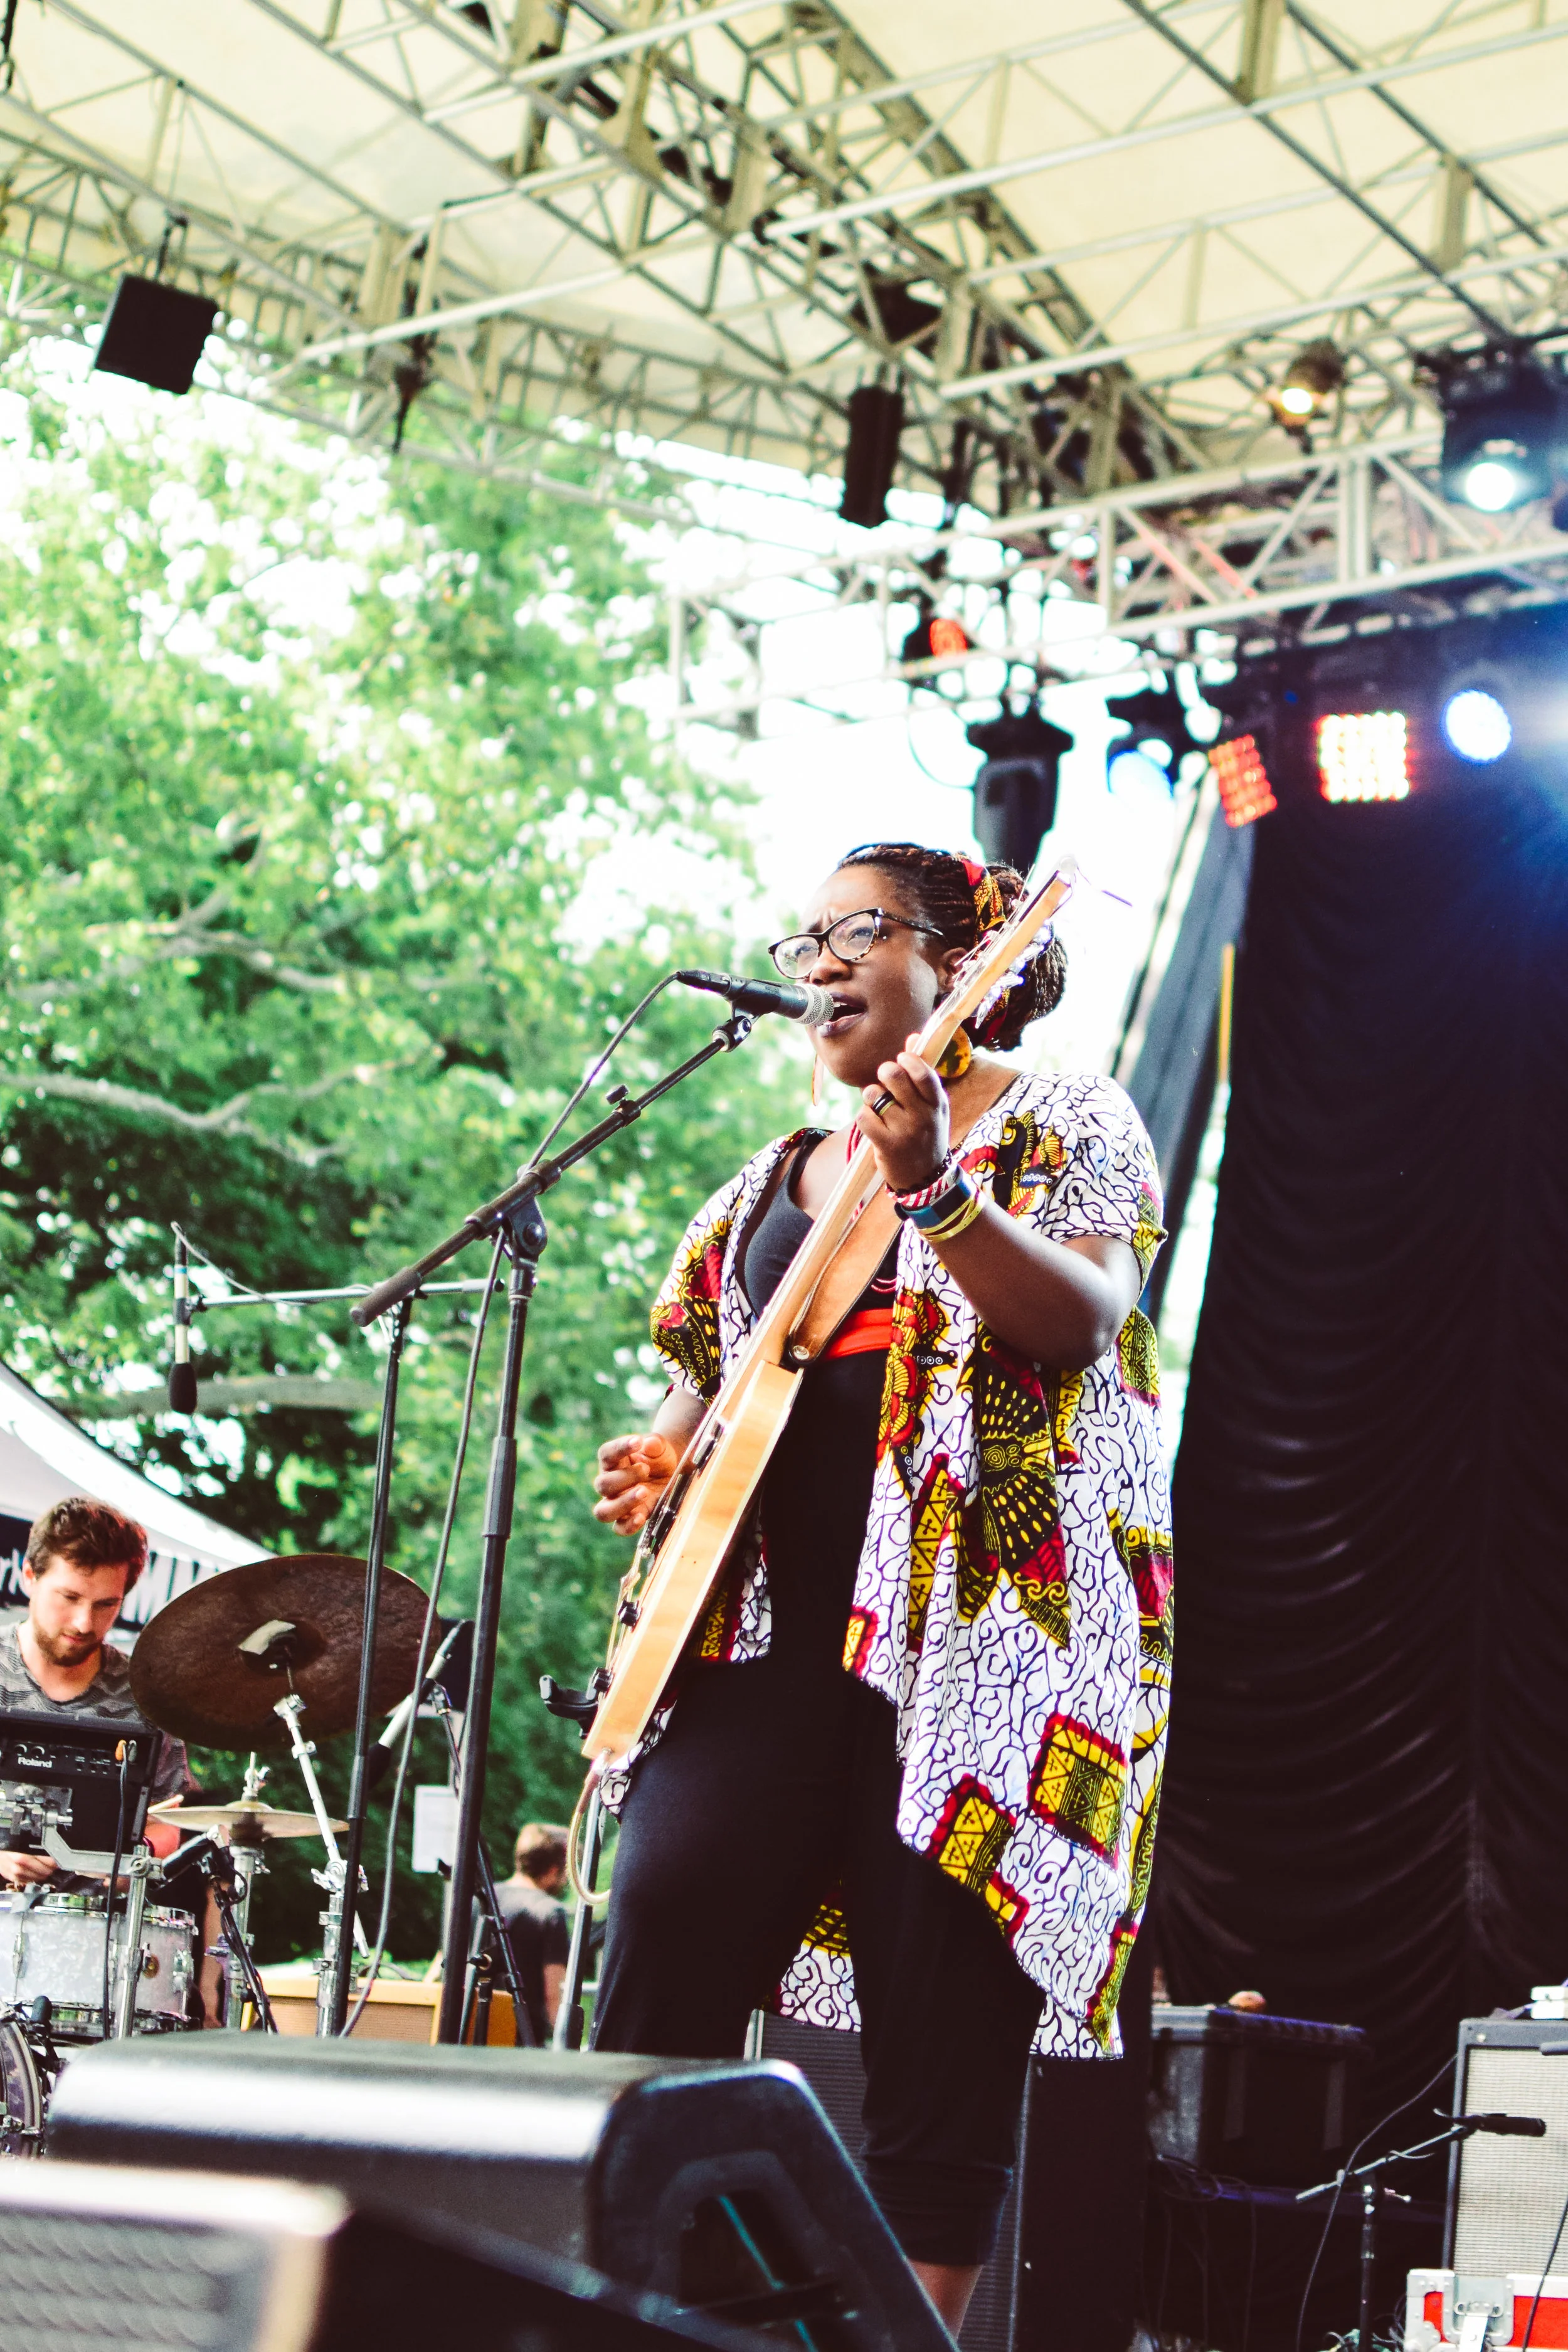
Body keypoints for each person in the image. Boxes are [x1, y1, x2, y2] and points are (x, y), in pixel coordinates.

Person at [589, 843, 1173, 2331]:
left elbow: (1079, 1319)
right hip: (763, 1640)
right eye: (812, 935)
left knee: (941, 2026)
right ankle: (665, 2299)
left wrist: (937, 1190)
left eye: (864, 928)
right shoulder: (770, 1178)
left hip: (981, 1649)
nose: (823, 959)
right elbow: (706, 1381)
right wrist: (657, 1461)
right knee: (663, 1916)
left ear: (970, 957)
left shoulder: (1062, 1117)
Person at [0, 1495, 223, 2025]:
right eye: (69, 1596)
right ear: (29, 1575)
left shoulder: (144, 1696)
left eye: (107, 1604)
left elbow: (170, 1821)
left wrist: (129, 1862)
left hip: (102, 1951)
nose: (84, 1621)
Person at [495, 1821, 570, 2044]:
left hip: (473, 2032)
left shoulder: (476, 1899)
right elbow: (554, 1995)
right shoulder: (550, 1912)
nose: (565, 1881)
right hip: (522, 2041)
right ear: (553, 1870)